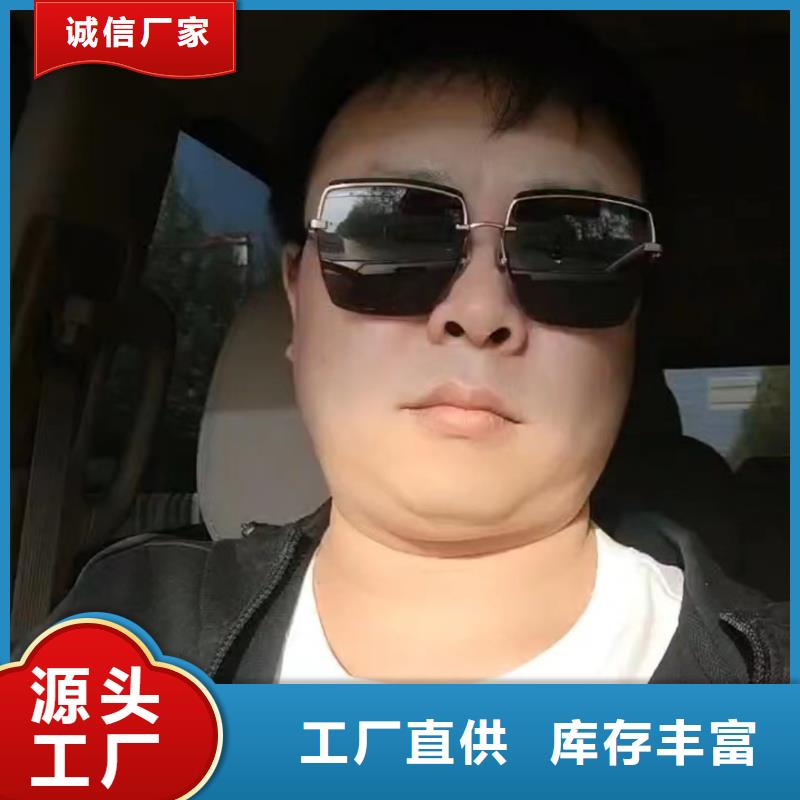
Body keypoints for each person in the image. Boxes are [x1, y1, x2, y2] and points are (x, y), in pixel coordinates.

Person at [15, 13, 789, 682]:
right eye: (389, 233)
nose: (479, 311)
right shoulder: (121, 637)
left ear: (632, 323)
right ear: (297, 301)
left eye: (572, 249)